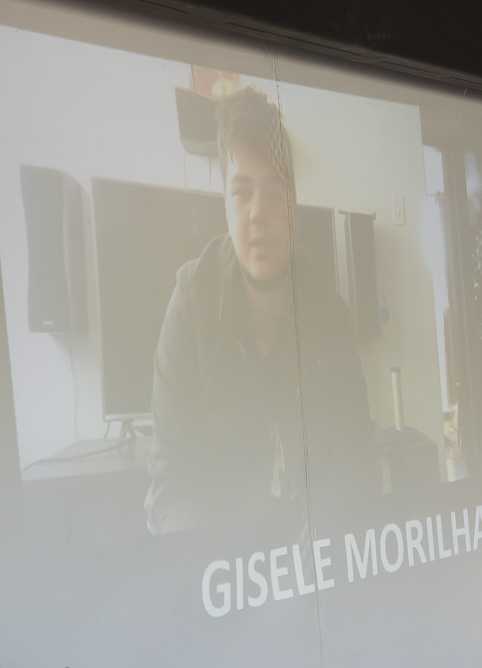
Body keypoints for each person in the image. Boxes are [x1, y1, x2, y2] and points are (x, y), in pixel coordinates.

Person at [146, 87, 373, 534]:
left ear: (293, 207)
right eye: (241, 191)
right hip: (220, 551)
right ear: (224, 204)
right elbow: (172, 483)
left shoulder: (330, 313)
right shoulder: (190, 304)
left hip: (309, 551)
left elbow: (355, 462)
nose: (257, 212)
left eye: (273, 191)